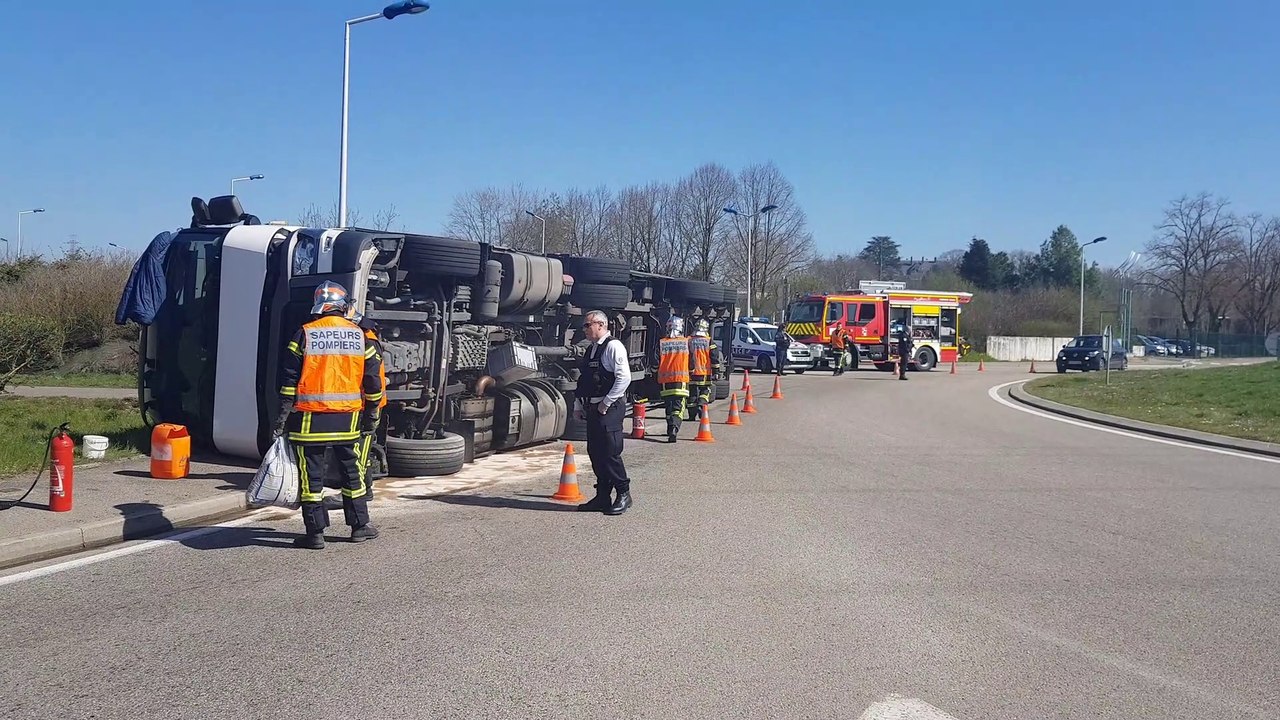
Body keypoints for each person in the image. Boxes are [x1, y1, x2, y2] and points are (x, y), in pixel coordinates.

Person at [275, 281, 385, 549]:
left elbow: (288, 381)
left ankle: (315, 533)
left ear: (319, 305)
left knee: (311, 477)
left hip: (309, 420)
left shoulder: (304, 333)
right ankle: (359, 527)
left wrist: (282, 417)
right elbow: (373, 381)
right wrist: (372, 413)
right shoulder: (361, 336)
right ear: (343, 306)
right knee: (352, 472)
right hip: (348, 419)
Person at [576, 310, 633, 515]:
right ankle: (602, 496)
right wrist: (578, 406)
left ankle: (624, 493)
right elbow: (584, 380)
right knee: (596, 453)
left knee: (610, 452)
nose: (584, 329)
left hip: (609, 407)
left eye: (587, 325)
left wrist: (606, 403)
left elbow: (624, 378)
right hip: (593, 407)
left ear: (601, 325)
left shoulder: (613, 346)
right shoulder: (591, 349)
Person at [654, 315, 691, 443]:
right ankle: (674, 427)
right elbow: (692, 362)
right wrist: (691, 372)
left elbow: (655, 362)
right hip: (681, 381)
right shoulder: (686, 342)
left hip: (665, 383)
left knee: (668, 407)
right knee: (678, 408)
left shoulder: (662, 342)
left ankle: (670, 428)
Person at [687, 319, 725, 420]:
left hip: (691, 373)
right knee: (705, 391)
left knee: (692, 393)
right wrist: (716, 372)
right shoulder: (709, 341)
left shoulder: (689, 340)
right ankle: (701, 405)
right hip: (704, 373)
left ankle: (691, 416)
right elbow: (714, 358)